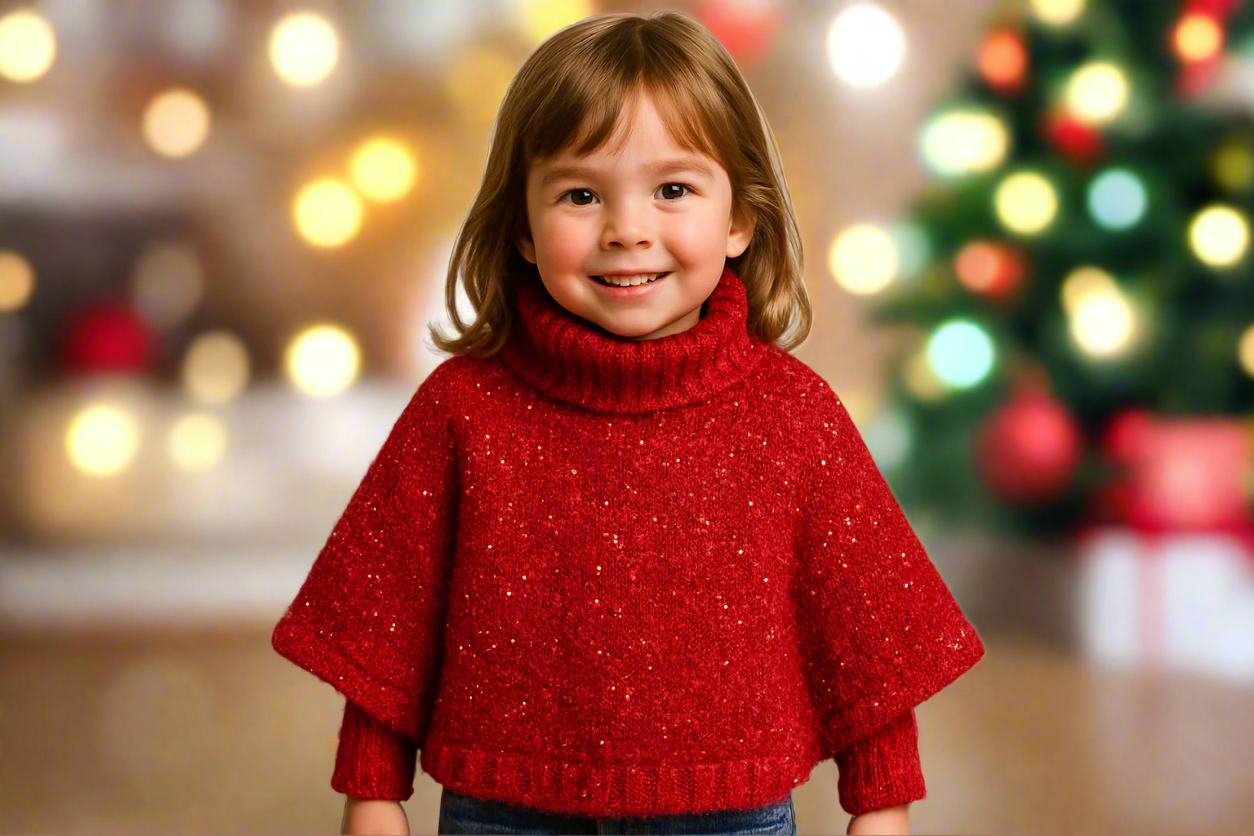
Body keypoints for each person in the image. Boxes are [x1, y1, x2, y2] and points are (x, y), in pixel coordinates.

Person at [271, 10, 986, 836]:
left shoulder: (793, 418)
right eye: (580, 194)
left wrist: (882, 802)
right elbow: (386, 630)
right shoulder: (461, 413)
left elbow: (868, 638)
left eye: (673, 190)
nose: (627, 229)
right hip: (504, 812)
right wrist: (371, 792)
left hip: (727, 816)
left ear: (739, 219)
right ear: (525, 231)